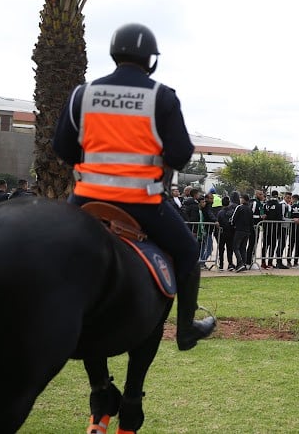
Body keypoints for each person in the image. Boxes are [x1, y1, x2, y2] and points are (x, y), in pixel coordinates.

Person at [51, 22, 215, 351]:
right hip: (142, 202)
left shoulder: (83, 94)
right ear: (150, 60)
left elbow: (63, 149)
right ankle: (185, 330)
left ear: (113, 54)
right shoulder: (160, 96)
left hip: (84, 200)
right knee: (187, 251)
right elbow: (181, 155)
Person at [230, 193, 254, 272]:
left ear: (243, 199)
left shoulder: (239, 207)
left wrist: (233, 224)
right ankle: (244, 263)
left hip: (239, 230)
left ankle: (240, 263)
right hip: (247, 231)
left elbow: (233, 219)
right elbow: (251, 221)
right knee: (243, 248)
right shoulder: (249, 209)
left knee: (235, 247)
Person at [215, 195, 236, 271]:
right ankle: (230, 264)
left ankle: (221, 264)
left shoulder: (220, 212)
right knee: (229, 249)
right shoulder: (232, 212)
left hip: (222, 232)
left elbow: (218, 222)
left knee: (221, 249)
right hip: (230, 232)